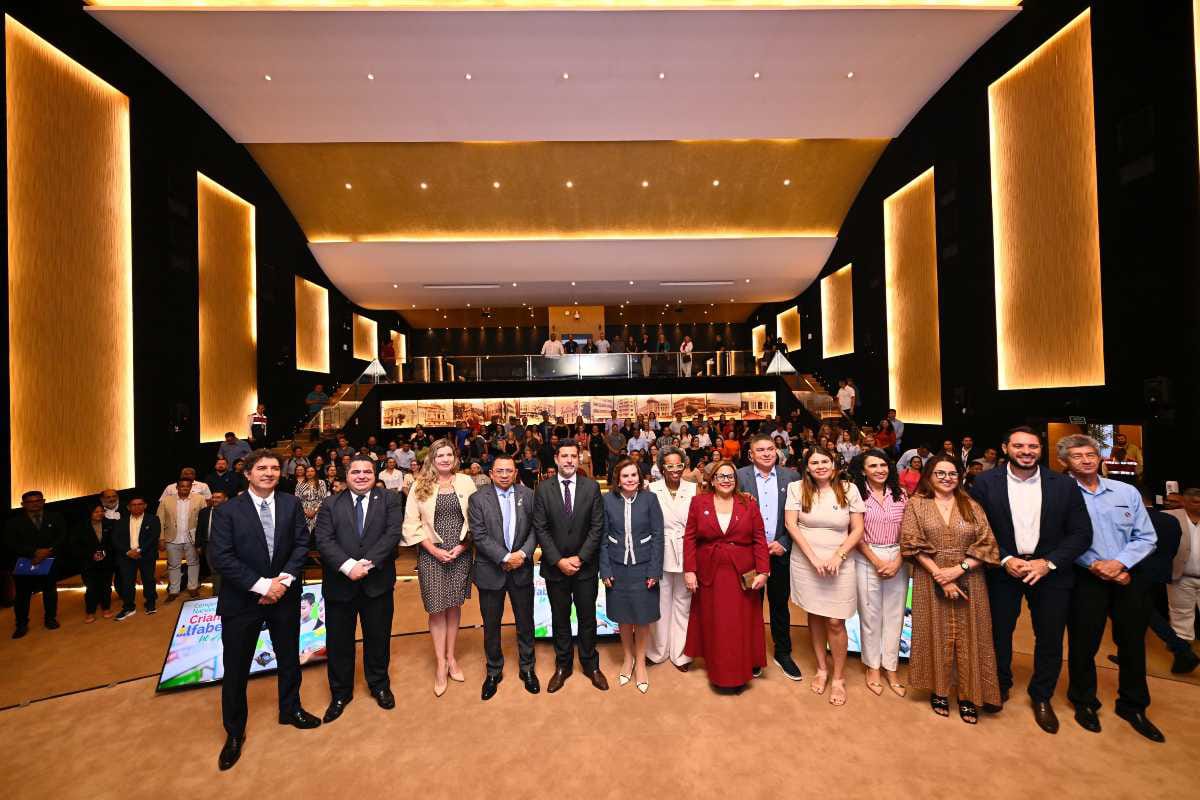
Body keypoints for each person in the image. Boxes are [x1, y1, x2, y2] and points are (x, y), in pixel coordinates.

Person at [967, 426, 1092, 733]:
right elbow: (974, 528)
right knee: (998, 633)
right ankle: (998, 685)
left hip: (1049, 573)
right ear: (1005, 448)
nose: (1026, 451)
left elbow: (1081, 533)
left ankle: (1042, 696)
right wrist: (1005, 558)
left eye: (1033, 446)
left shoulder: (1064, 485)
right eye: (1019, 446)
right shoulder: (984, 483)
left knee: (1049, 637)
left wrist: (1047, 563)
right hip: (1003, 570)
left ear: (1041, 449)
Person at [208, 449, 321, 770]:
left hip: (284, 596)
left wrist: (281, 583)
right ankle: (234, 731)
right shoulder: (227, 511)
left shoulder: (291, 503)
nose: (269, 473)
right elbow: (221, 557)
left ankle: (291, 709)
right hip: (242, 601)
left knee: (289, 659)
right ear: (248, 473)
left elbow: (301, 544)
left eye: (274, 468)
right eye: (261, 468)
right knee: (236, 668)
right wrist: (261, 586)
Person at [1058, 434, 1162, 742]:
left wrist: (1119, 564)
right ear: (1065, 462)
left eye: (1091, 454)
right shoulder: (1060, 496)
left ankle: (1133, 705)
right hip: (1085, 578)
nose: (1086, 460)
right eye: (1077, 456)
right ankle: (1084, 701)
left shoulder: (1126, 491)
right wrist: (1095, 565)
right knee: (1083, 644)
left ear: (1100, 457)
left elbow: (1146, 537)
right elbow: (1059, 540)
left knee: (1132, 644)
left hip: (1128, 577)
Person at [901, 453, 1002, 723]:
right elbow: (911, 543)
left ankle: (969, 695)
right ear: (929, 476)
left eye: (952, 474)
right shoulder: (916, 504)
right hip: (929, 577)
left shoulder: (971, 505)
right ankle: (940, 691)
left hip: (970, 577)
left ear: (960, 476)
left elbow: (988, 543)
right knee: (934, 632)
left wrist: (959, 570)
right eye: (940, 473)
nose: (947, 478)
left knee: (972, 635)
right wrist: (942, 577)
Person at [313, 454, 404, 722]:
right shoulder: (330, 503)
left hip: (377, 584)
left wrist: (368, 563)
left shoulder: (389, 499)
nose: (362, 476)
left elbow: (392, 534)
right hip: (340, 585)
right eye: (356, 472)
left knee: (378, 638)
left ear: (375, 475)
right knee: (339, 642)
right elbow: (323, 539)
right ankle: (340, 693)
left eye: (367, 472)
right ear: (346, 475)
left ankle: (379, 685)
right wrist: (348, 566)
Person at [784, 447, 865, 706]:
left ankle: (839, 677)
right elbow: (791, 525)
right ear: (807, 467)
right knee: (816, 614)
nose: (820, 466)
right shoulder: (797, 488)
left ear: (833, 464)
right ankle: (821, 668)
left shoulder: (849, 489)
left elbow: (858, 529)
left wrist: (838, 556)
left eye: (824, 461)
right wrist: (813, 559)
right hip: (807, 562)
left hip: (840, 562)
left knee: (835, 621)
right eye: (814, 462)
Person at [683, 459, 770, 690]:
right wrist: (689, 570)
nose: (726, 480)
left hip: (741, 574)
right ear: (712, 480)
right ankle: (719, 671)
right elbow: (690, 538)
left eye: (730, 476)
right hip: (709, 573)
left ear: (736, 480)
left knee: (738, 624)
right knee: (716, 624)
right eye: (720, 476)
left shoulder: (748, 503)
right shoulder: (698, 502)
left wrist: (763, 571)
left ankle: (739, 671)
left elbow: (759, 539)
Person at [532, 438, 609, 693]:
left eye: (573, 456)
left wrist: (580, 557)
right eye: (564, 456)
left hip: (585, 567)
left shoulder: (591, 487)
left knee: (587, 618)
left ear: (579, 458)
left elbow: (597, 526)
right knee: (560, 618)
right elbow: (540, 527)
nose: (569, 460)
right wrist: (558, 560)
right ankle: (563, 666)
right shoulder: (543, 489)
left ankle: (590, 665)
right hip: (555, 568)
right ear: (556, 459)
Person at [402, 439, 477, 696]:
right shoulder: (419, 485)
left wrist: (463, 547)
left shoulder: (466, 482)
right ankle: (440, 664)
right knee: (436, 609)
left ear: (455, 458)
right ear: (432, 459)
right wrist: (433, 550)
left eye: (449, 455)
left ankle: (451, 657)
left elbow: (476, 518)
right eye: (439, 455)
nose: (445, 459)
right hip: (431, 554)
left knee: (454, 606)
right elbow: (411, 524)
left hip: (460, 553)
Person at [467, 454, 539, 701]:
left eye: (509, 470)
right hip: (490, 571)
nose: (505, 475)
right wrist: (505, 557)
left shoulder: (529, 495)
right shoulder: (478, 499)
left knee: (525, 622)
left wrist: (522, 554)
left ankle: (527, 668)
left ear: (516, 473)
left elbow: (535, 530)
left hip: (522, 568)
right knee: (491, 625)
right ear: (491, 473)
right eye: (500, 471)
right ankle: (493, 671)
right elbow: (479, 534)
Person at [736, 434, 803, 680]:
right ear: (750, 455)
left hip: (779, 552)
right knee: (749, 606)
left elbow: (799, 516)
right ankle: (751, 653)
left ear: (777, 451)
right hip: (749, 555)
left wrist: (784, 543)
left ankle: (783, 652)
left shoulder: (792, 477)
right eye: (760, 450)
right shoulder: (739, 477)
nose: (766, 453)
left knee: (779, 605)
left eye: (770, 449)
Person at [600, 458, 664, 693]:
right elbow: (602, 537)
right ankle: (628, 658)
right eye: (625, 476)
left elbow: (658, 536)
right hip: (617, 567)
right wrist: (605, 569)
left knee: (642, 616)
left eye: (634, 475)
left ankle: (641, 662)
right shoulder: (607, 500)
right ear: (617, 480)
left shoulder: (650, 499)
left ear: (640, 477)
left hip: (644, 567)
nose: (630, 479)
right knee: (624, 616)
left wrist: (655, 570)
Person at [850, 449, 909, 696]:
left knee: (895, 616)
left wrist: (898, 560)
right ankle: (873, 667)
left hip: (898, 556)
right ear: (863, 470)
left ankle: (891, 667)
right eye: (873, 466)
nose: (880, 470)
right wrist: (875, 560)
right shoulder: (855, 494)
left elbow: (909, 531)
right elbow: (854, 532)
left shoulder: (901, 494)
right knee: (870, 615)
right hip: (866, 555)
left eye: (883, 465)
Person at [647, 447, 697, 671]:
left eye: (679, 465)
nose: (675, 470)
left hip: (687, 549)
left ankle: (681, 654)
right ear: (662, 468)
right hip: (660, 549)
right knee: (660, 603)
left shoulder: (693, 488)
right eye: (670, 466)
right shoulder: (652, 488)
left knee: (683, 604)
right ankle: (658, 651)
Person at [5, 490, 67, 638]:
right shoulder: (14, 522)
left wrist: (47, 551)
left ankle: (50, 619)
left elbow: (62, 536)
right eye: (31, 502)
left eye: (38, 501)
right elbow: (10, 543)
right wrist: (33, 553)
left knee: (50, 592)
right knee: (23, 595)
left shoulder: (55, 517)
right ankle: (21, 624)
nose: (35, 504)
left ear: (43, 501)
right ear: (23, 504)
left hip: (49, 560)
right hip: (26, 562)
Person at [1165, 488, 1200, 668]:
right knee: (1180, 618)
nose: (1199, 505)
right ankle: (1183, 658)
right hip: (1181, 576)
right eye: (1195, 502)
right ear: (1184, 502)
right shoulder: (1170, 517)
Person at [113, 496, 160, 621]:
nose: (137, 507)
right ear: (128, 507)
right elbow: (115, 539)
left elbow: (153, 537)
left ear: (145, 505)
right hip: (127, 556)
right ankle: (128, 607)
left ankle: (150, 603)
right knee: (127, 582)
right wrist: (128, 552)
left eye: (140, 504)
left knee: (148, 580)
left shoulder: (153, 519)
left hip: (146, 555)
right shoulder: (120, 522)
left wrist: (139, 550)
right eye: (133, 505)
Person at [157, 478, 202, 602]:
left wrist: (201, 540)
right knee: (173, 565)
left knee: (193, 563)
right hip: (172, 538)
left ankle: (192, 587)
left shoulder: (199, 499)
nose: (185, 488)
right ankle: (174, 590)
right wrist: (161, 538)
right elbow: (159, 520)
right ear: (177, 487)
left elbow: (203, 519)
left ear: (190, 487)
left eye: (187, 486)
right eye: (182, 486)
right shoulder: (166, 500)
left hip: (192, 538)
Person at [72, 505, 115, 622]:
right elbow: (76, 545)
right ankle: (90, 612)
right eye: (96, 511)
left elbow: (113, 542)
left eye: (102, 511)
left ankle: (106, 608)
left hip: (106, 561)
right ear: (90, 513)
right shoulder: (80, 526)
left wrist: (104, 553)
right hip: (88, 562)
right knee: (91, 588)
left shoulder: (110, 524)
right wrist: (91, 555)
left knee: (106, 586)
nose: (100, 513)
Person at [197, 490, 226, 595]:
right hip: (209, 545)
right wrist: (198, 545)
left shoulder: (232, 511)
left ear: (225, 499)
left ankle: (228, 594)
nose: (214, 499)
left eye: (218, 497)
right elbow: (199, 529)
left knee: (227, 570)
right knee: (214, 570)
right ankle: (217, 594)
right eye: (213, 497)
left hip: (226, 546)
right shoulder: (204, 512)